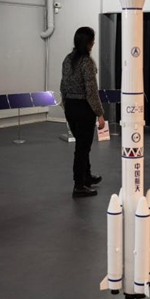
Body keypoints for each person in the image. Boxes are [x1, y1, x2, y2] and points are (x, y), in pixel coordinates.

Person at [60, 27, 106, 198]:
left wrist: (66, 105)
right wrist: (100, 113)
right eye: (92, 40)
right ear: (89, 43)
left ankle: (87, 176)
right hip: (84, 109)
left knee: (82, 145)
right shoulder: (87, 62)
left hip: (71, 107)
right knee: (82, 148)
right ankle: (79, 185)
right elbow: (91, 91)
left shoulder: (68, 59)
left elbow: (63, 85)